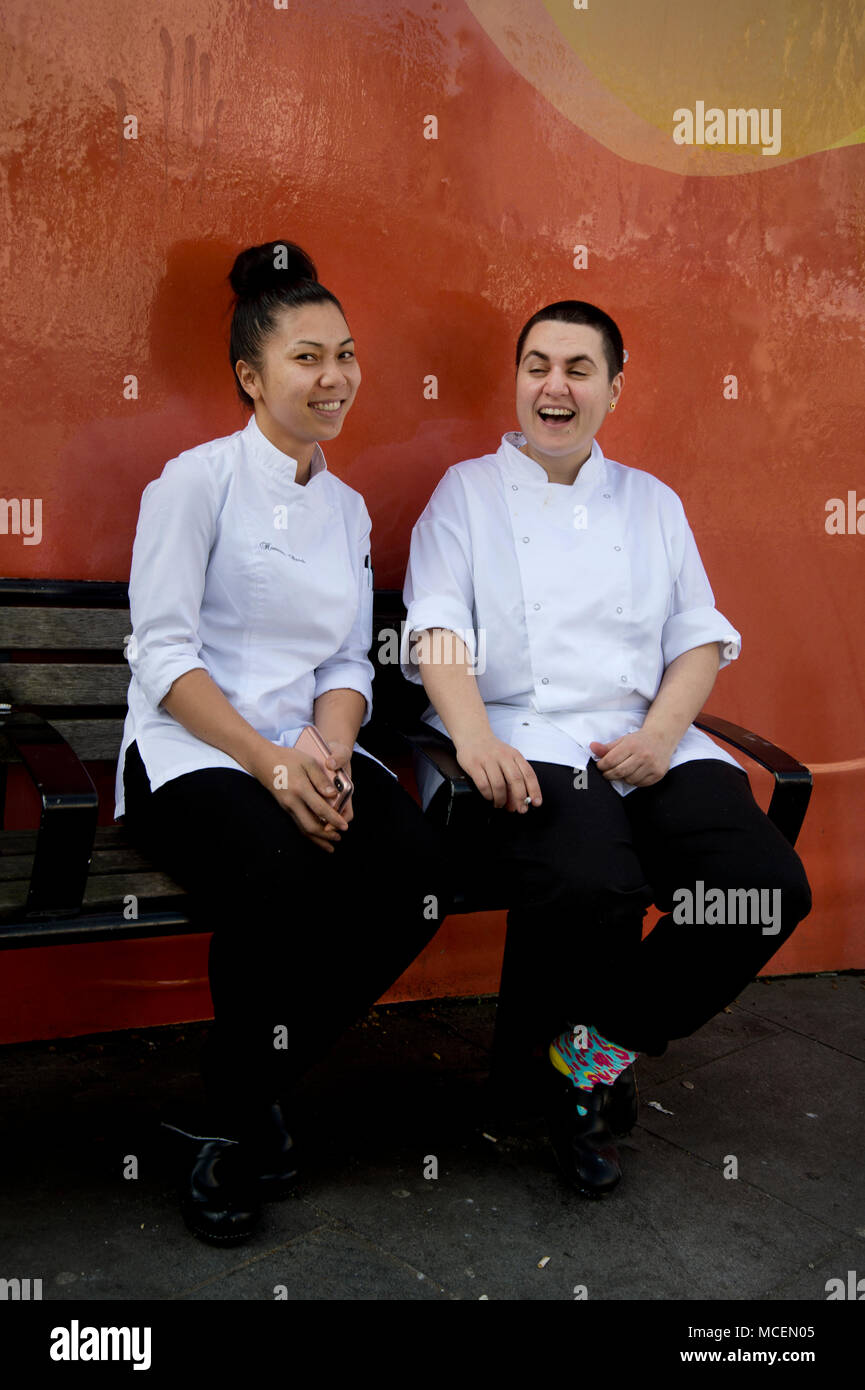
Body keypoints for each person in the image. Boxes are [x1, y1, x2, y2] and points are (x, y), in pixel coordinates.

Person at [401, 299, 811, 1197]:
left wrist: (664, 735)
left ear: (612, 390)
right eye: (537, 365)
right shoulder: (466, 493)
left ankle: (584, 1054)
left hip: (645, 735)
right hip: (523, 728)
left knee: (762, 889)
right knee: (592, 877)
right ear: (516, 383)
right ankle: (567, 1099)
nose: (554, 386)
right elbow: (433, 625)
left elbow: (697, 636)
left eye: (578, 369)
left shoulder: (651, 501)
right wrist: (469, 734)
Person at [116, 241, 450, 1244]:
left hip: (304, 748)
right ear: (250, 377)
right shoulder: (193, 483)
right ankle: (235, 1126)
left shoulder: (343, 509)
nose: (334, 376)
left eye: (344, 354)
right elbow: (162, 655)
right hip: (193, 751)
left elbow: (348, 660)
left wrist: (329, 750)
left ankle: (241, 1085)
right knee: (280, 873)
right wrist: (267, 763)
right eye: (307, 357)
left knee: (415, 878)